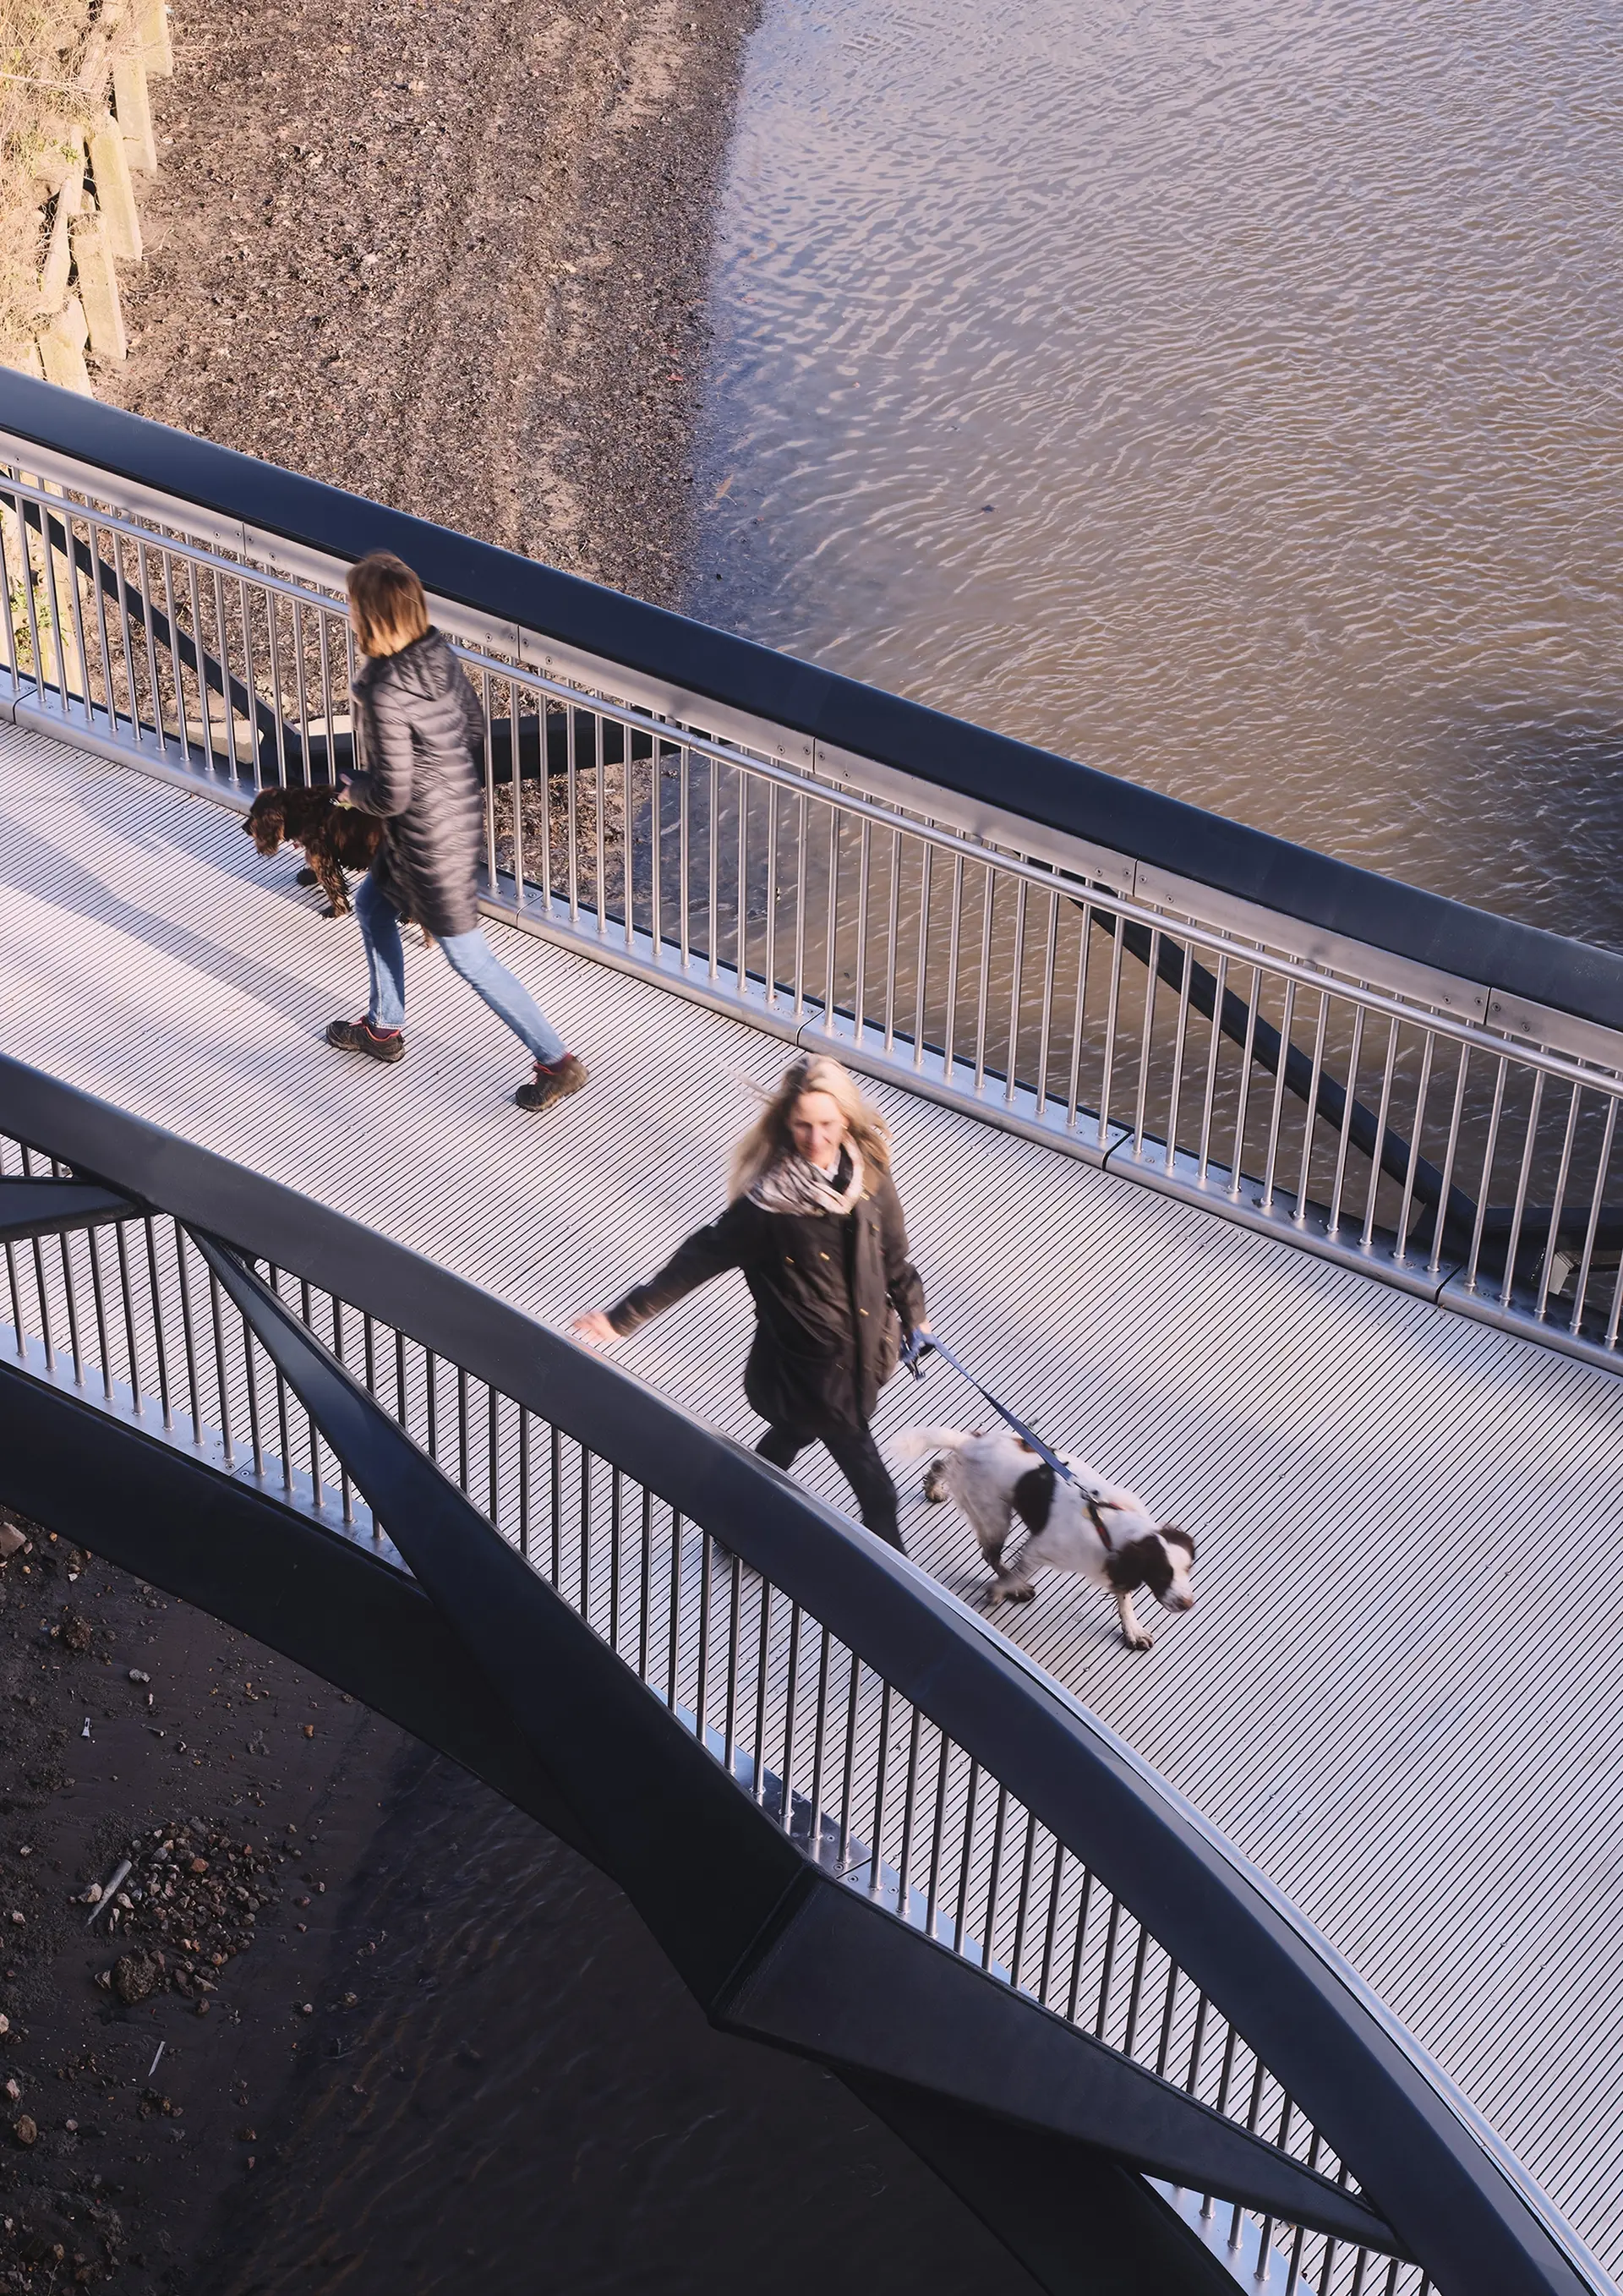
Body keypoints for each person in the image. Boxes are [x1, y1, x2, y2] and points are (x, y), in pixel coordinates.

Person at [572, 1055, 927, 1551]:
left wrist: (915, 1318)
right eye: (802, 1125)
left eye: (826, 1124)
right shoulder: (766, 1207)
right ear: (786, 1123)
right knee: (878, 1495)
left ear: (845, 1118)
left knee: (790, 1435)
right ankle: (899, 1600)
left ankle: (733, 1526)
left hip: (864, 1352)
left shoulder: (869, 1176)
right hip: (810, 1366)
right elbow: (698, 1259)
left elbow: (894, 1257)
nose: (816, 1138)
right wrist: (622, 1319)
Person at [325, 551, 588, 1116]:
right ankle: (383, 1028)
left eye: (351, 602)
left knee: (469, 958)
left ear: (371, 616)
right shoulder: (437, 655)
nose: (346, 610)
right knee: (371, 904)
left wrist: (352, 791)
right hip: (449, 814)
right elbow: (471, 729)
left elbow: (390, 793)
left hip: (426, 841)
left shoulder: (383, 693)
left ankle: (556, 1061)